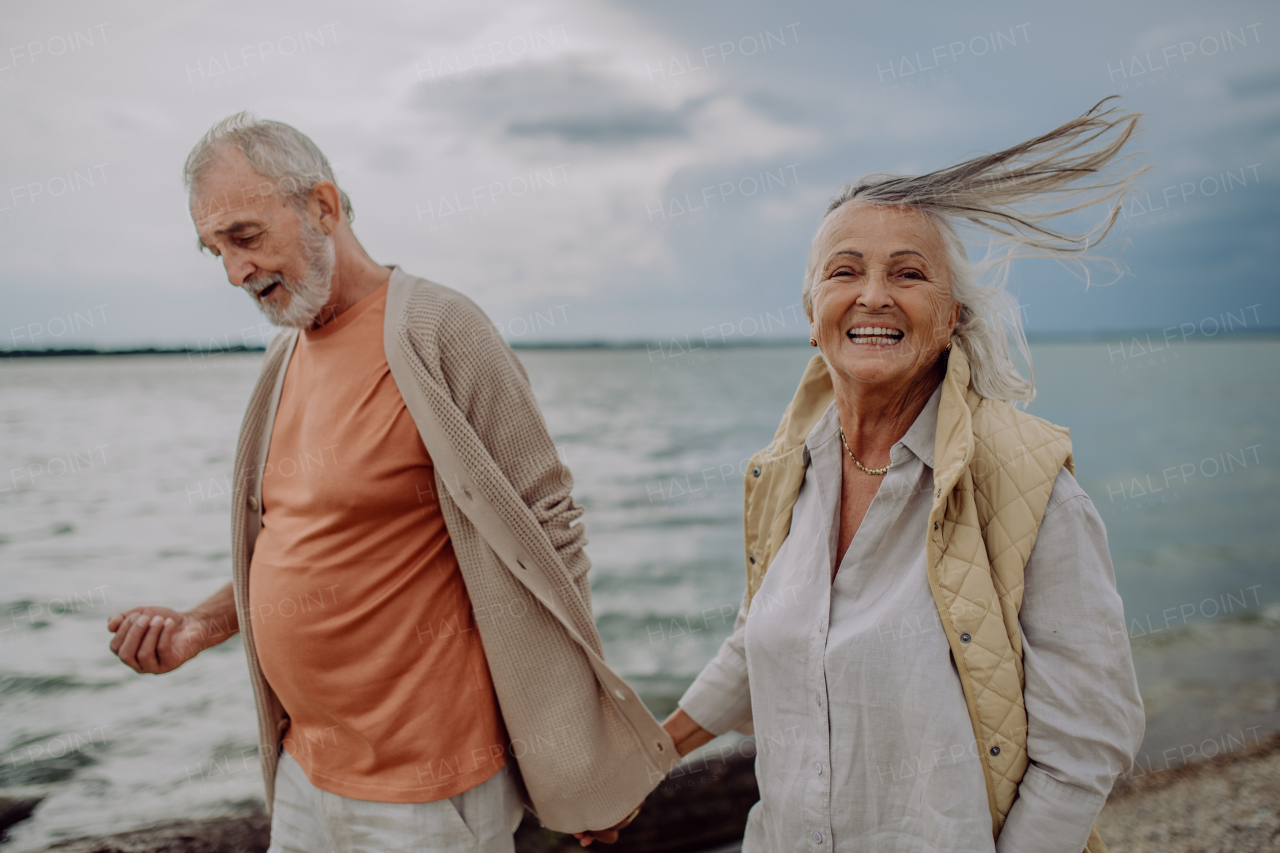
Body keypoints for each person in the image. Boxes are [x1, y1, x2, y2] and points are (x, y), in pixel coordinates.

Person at [106, 113, 676, 853]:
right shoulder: (283, 365)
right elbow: (301, 544)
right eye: (214, 250)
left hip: (431, 796)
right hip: (305, 778)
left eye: (244, 237)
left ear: (323, 206)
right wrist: (198, 627)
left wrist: (577, 758)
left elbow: (549, 526)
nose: (233, 272)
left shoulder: (440, 329)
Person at [659, 100, 1148, 852]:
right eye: (845, 270)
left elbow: (1088, 735)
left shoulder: (1022, 480)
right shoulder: (785, 471)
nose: (874, 295)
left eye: (909, 273)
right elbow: (758, 637)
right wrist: (652, 755)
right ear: (812, 309)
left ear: (950, 317)